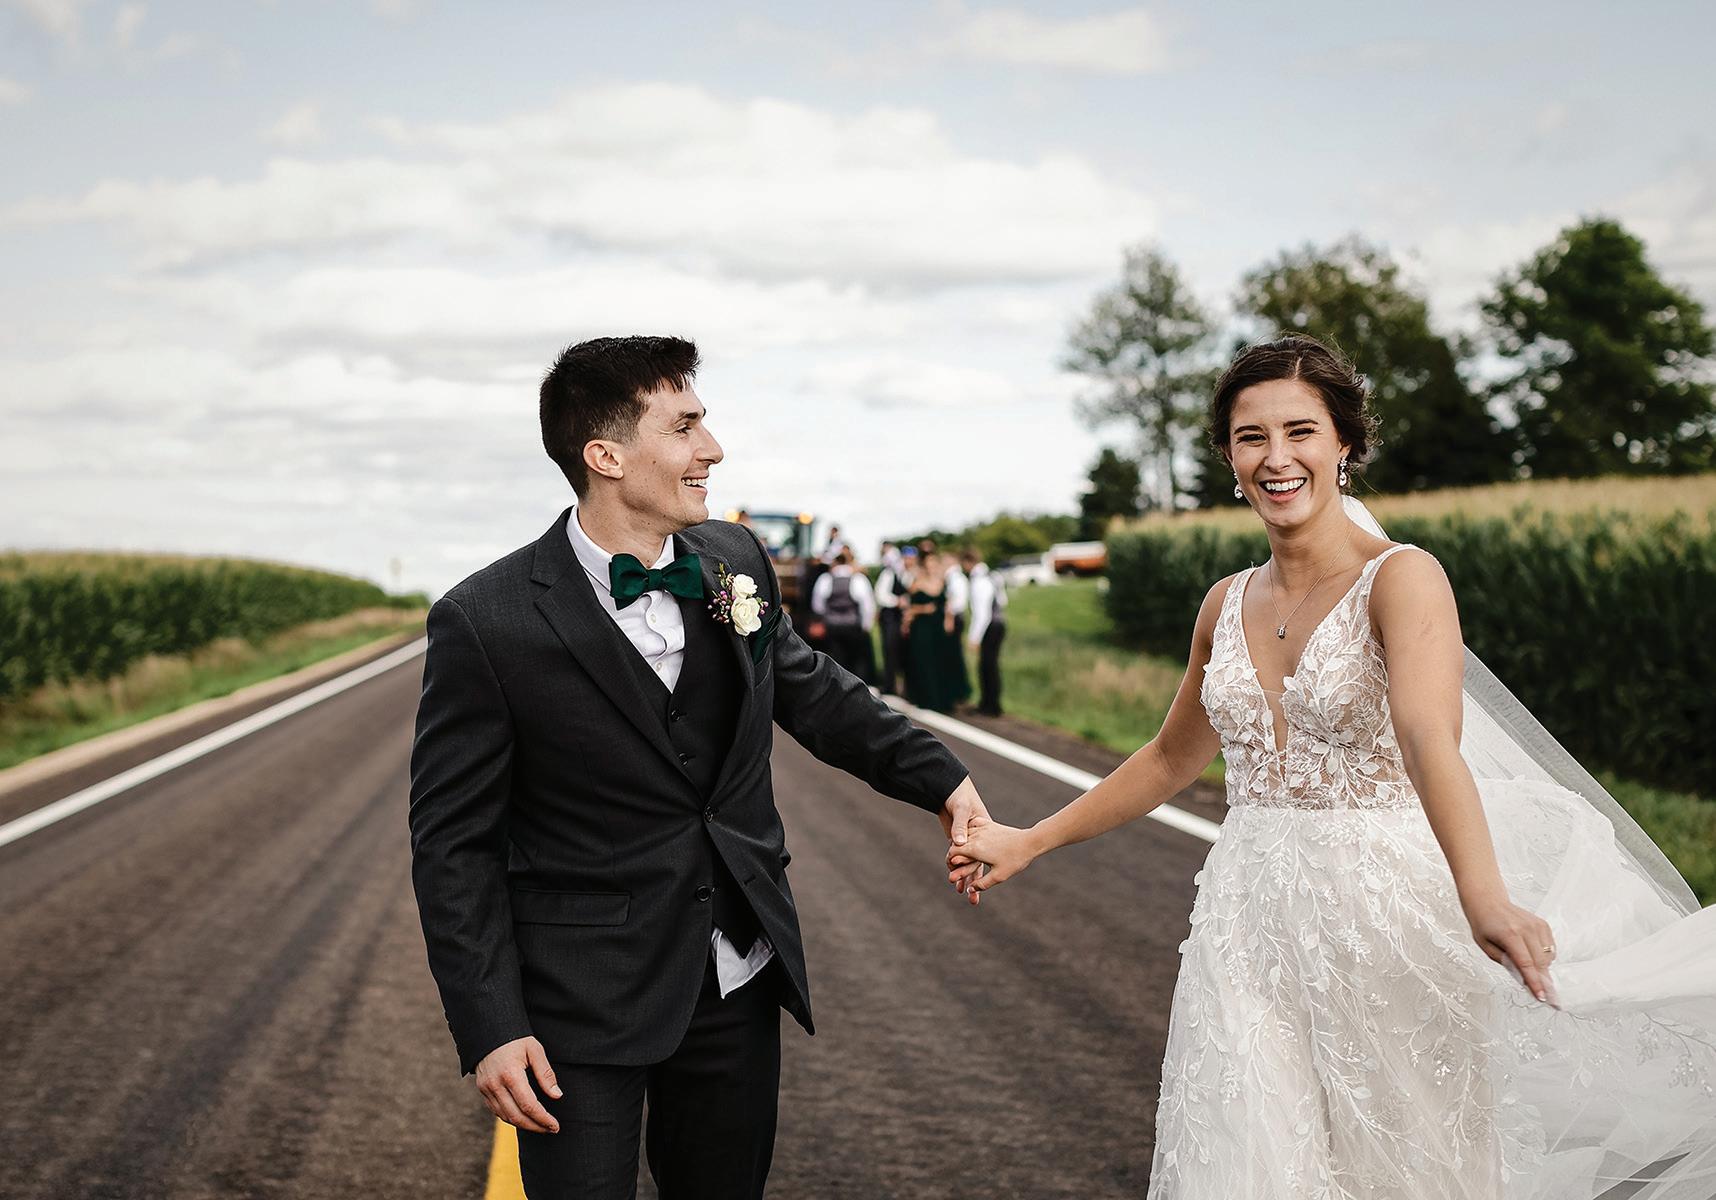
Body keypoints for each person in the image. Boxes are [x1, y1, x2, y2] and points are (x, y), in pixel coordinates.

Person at [949, 334, 1716, 1199]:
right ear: (1228, 457)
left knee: (1405, 1168)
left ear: (1344, 442)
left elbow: (1429, 741)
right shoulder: (1223, 603)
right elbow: (1169, 757)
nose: (1276, 458)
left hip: (1383, 924)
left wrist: (1483, 896)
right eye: (1251, 437)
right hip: (1244, 925)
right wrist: (1029, 841)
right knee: (1245, 1159)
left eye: (1300, 431)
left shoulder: (1403, 579)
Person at [408, 335, 989, 1200]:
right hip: (579, 1009)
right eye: (683, 428)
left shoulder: (735, 562)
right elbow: (453, 844)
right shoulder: (486, 621)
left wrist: (942, 781)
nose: (711, 449)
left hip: (737, 978)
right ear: (605, 456)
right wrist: (491, 1024)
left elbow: (818, 694)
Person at [900, 549, 963, 713]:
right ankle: (926, 698)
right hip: (922, 628)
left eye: (934, 564)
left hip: (938, 627)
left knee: (941, 662)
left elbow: (948, 604)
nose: (932, 567)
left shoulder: (943, 583)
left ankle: (944, 699)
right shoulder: (917, 584)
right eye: (929, 564)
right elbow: (909, 609)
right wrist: (923, 609)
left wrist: (948, 620)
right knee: (924, 662)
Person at [809, 548, 876, 685]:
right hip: (853, 626)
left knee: (835, 661)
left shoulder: (825, 579)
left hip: (832, 626)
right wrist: (866, 625)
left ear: (834, 561)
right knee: (855, 662)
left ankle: (836, 689)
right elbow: (867, 606)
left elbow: (817, 606)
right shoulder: (858, 579)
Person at [961, 548, 1006, 717]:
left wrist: (974, 638)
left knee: (987, 667)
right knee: (991, 666)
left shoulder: (979, 581)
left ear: (968, 562)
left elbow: (982, 614)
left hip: (989, 626)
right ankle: (989, 703)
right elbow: (1003, 601)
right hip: (998, 623)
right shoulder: (993, 576)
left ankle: (990, 706)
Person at [874, 546, 907, 695]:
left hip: (901, 618)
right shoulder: (888, 574)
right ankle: (890, 685)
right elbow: (881, 596)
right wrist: (897, 601)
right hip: (891, 618)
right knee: (890, 651)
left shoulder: (902, 573)